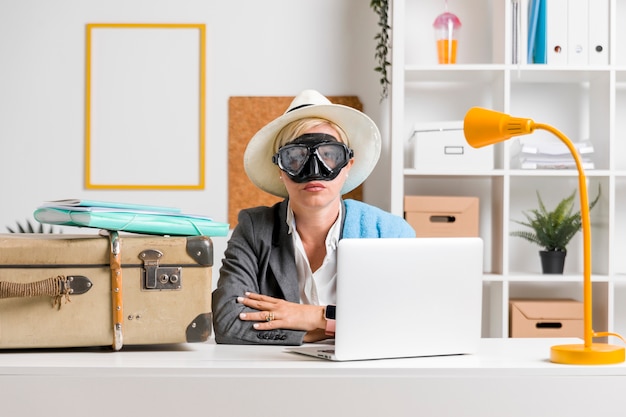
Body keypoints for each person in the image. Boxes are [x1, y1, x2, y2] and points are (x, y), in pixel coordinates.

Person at [212, 89, 415, 345]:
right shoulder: (254, 229)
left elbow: (408, 318)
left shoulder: (389, 233)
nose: (315, 171)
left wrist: (314, 316)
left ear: (348, 166)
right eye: (295, 158)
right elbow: (228, 323)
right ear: (280, 170)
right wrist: (333, 328)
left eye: (329, 155)